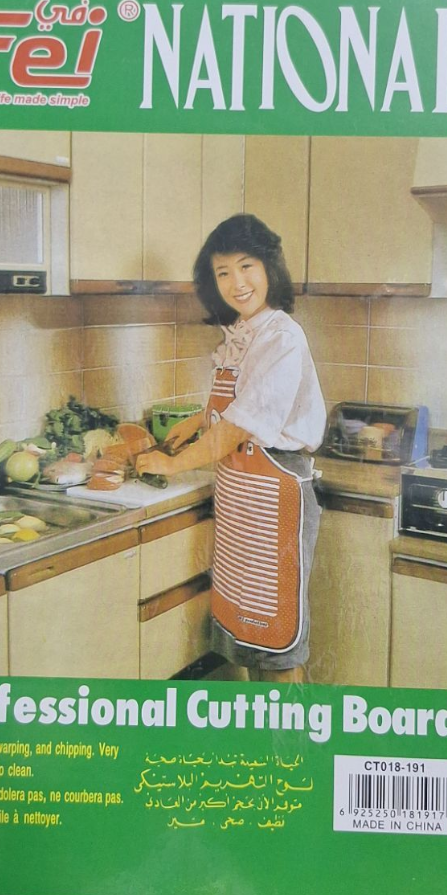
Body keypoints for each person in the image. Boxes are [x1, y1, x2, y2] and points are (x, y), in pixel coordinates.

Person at [135, 214, 325, 683]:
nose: (237, 283)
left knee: (277, 647)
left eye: (246, 266)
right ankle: (260, 730)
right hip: (242, 498)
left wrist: (172, 464)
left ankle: (292, 734)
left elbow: (237, 428)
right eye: (223, 272)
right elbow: (230, 406)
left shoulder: (281, 337)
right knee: (248, 639)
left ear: (269, 268)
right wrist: (193, 424)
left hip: (274, 497)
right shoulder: (244, 332)